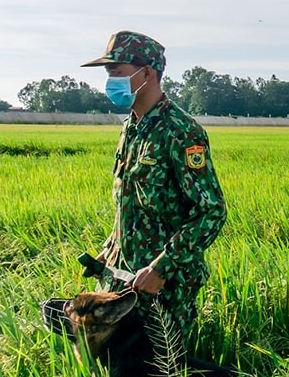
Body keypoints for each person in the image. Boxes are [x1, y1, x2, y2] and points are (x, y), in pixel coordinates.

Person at [81, 30, 227, 340]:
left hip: (165, 288)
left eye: (116, 72)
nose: (110, 82)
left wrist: (162, 267)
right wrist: (109, 249)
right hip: (122, 280)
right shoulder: (131, 127)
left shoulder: (180, 131)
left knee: (162, 376)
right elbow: (132, 204)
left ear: (146, 72)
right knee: (117, 375)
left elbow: (210, 212)